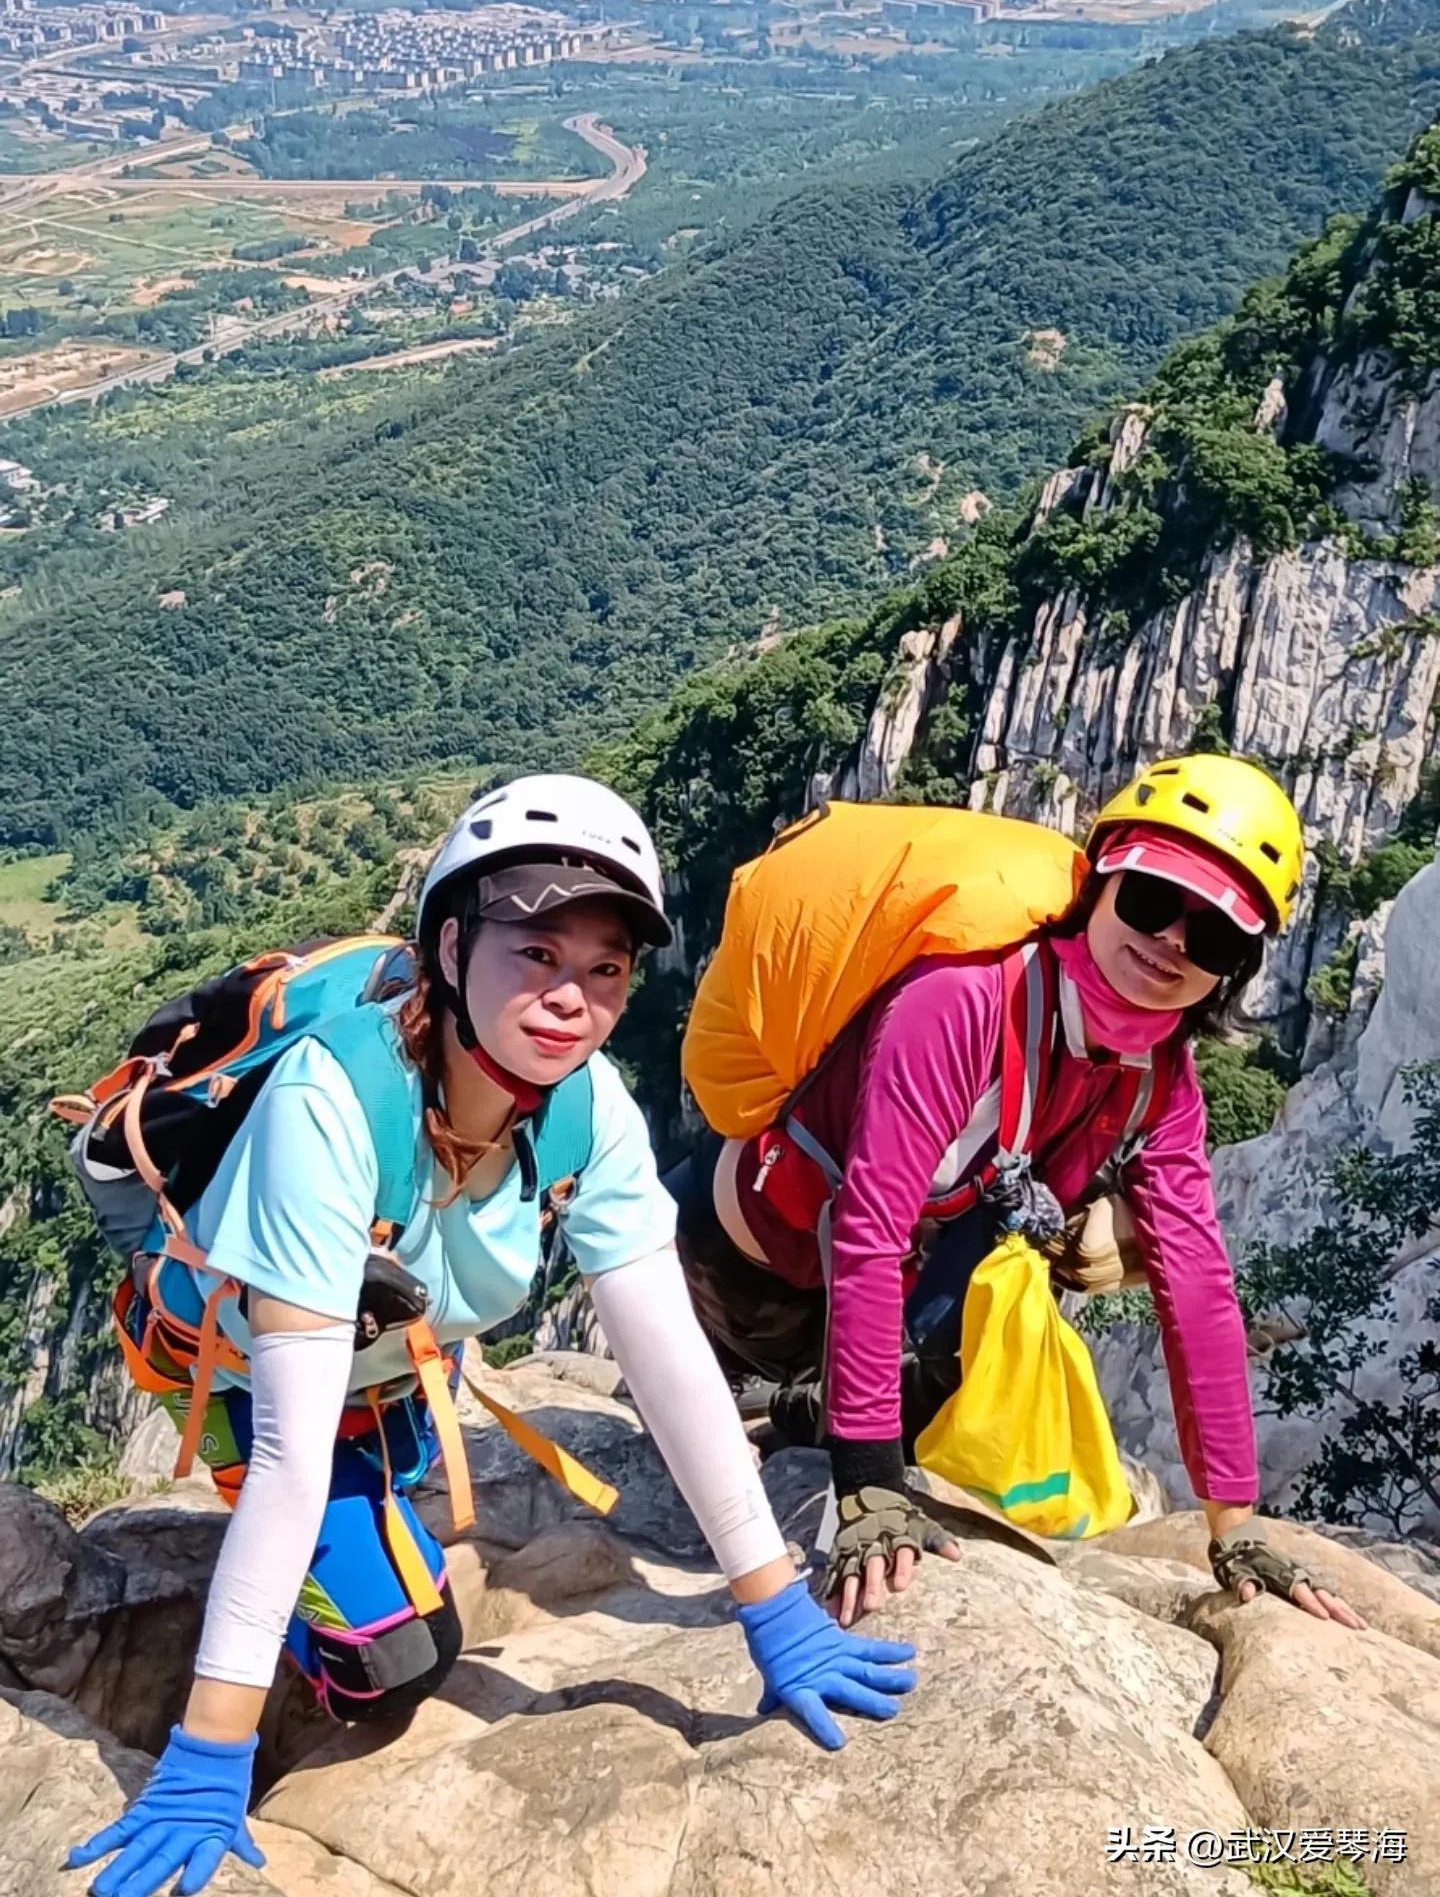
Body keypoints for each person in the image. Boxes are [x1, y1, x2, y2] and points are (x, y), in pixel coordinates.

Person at [68, 776, 914, 1897]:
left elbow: (671, 1367)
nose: (573, 995)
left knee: (387, 1468)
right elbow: (286, 1451)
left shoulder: (584, 1105)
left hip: (395, 1351)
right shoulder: (331, 1102)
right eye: (537, 950)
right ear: (452, 944)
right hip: (256, 1374)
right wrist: (208, 1749)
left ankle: (378, 1476)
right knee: (394, 1661)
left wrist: (776, 1607)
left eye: (605, 966)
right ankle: (338, 1549)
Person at [668, 754, 1368, 1633]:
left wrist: (1234, 1525)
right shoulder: (962, 999)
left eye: (1216, 937)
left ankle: (780, 1414)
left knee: (985, 1356)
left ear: (1235, 968)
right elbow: (869, 1223)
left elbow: (1196, 1284)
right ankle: (760, 1403)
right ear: (1101, 882)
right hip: (734, 1270)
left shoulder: (1158, 1080)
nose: (1173, 944)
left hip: (876, 1297)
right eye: (1153, 901)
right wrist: (870, 1493)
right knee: (880, 1402)